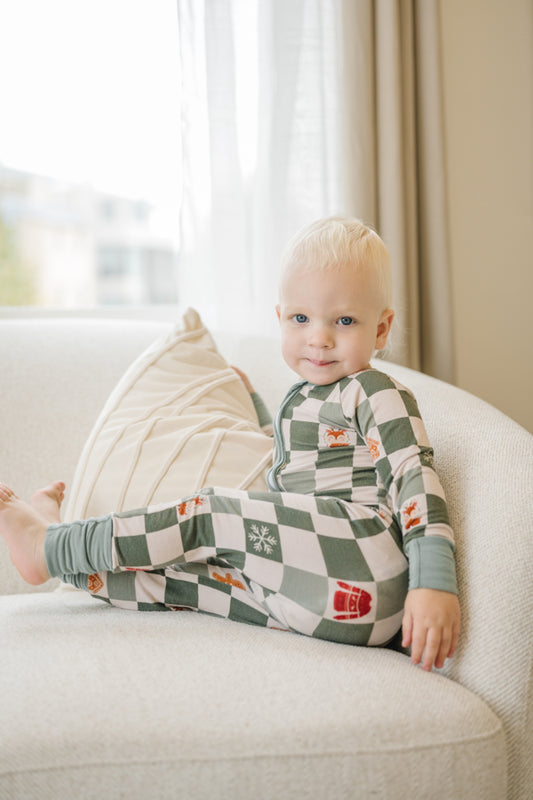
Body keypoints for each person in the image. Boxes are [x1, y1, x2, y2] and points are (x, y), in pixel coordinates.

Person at [0, 217, 460, 671]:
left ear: (380, 329)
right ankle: (63, 552)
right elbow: (281, 459)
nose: (319, 338)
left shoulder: (372, 389)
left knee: (209, 516)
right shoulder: (301, 398)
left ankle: (49, 547)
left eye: (343, 320)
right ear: (280, 319)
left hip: (366, 560)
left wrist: (433, 580)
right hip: (313, 597)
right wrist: (258, 404)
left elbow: (412, 474)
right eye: (301, 318)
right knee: (177, 582)